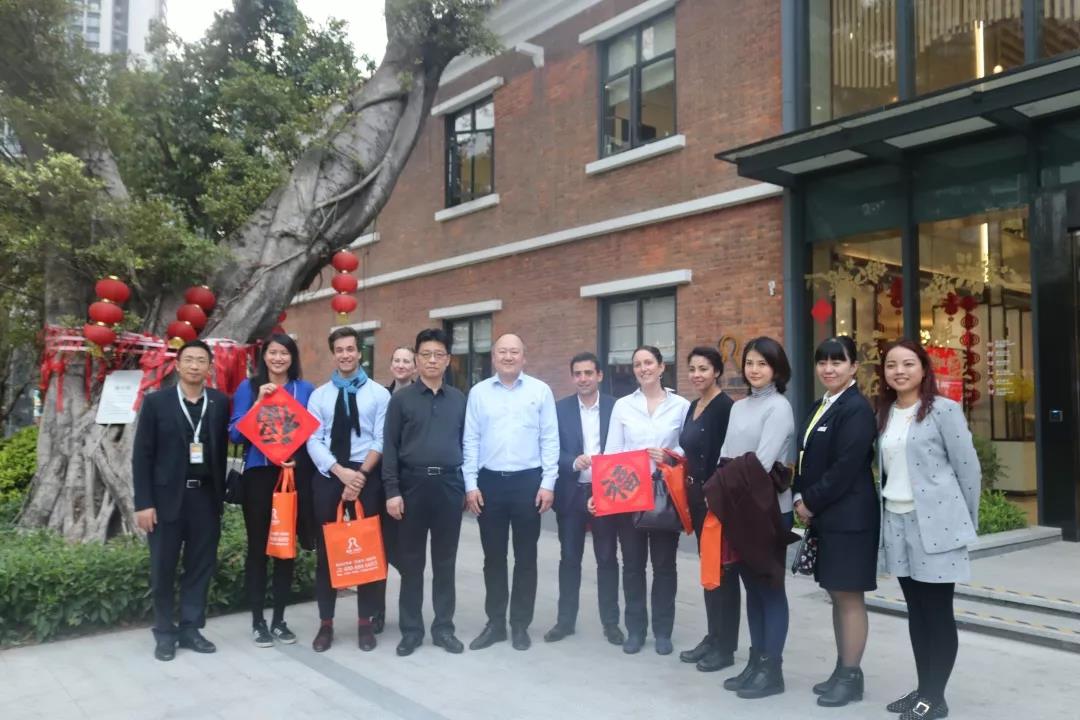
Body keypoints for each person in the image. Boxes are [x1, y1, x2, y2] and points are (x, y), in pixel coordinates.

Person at [877, 339, 980, 720]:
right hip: (896, 521)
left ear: (923, 369)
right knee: (916, 612)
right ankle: (924, 689)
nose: (899, 371)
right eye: (891, 365)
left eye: (908, 363)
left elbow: (968, 469)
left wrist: (965, 523)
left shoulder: (943, 410)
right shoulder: (885, 413)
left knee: (937, 612)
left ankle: (935, 698)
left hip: (937, 525)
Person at [793, 335, 879, 708]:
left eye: (837, 362)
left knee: (848, 595)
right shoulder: (822, 405)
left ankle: (851, 675)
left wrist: (810, 500)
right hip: (828, 516)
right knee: (836, 593)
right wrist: (799, 494)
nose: (828, 369)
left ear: (853, 367)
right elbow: (806, 457)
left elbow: (846, 466)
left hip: (850, 518)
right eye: (822, 362)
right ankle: (842, 668)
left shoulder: (856, 409)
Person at [133, 339, 229, 662]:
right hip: (165, 501)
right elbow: (142, 456)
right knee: (163, 568)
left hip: (205, 498)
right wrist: (143, 503)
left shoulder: (219, 402)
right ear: (177, 365)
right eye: (189, 360)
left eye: (201, 360)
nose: (194, 366)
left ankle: (190, 629)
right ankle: (164, 633)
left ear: (209, 367)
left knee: (200, 567)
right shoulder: (156, 402)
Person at [463, 333, 558, 652]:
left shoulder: (540, 391)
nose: (508, 357)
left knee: (526, 557)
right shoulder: (478, 393)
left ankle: (520, 624)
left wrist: (548, 483)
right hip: (489, 483)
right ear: (493, 357)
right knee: (493, 557)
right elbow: (471, 440)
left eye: (514, 352)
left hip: (528, 483)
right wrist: (471, 484)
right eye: (502, 351)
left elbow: (550, 439)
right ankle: (495, 623)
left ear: (523, 357)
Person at [716, 336, 795, 699]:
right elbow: (725, 455)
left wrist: (721, 483)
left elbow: (760, 464)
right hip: (739, 509)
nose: (754, 369)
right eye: (749, 362)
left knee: (770, 589)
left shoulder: (779, 407)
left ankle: (772, 670)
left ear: (776, 369)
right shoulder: (738, 407)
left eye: (763, 363)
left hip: (768, 511)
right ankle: (755, 662)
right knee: (752, 589)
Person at [382, 328, 468, 657]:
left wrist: (466, 487)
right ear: (417, 360)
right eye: (426, 354)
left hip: (448, 487)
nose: (432, 360)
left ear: (448, 360)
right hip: (411, 487)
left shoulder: (459, 400)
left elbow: (468, 444)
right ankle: (412, 630)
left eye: (438, 355)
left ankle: (444, 628)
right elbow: (390, 448)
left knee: (445, 562)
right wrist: (392, 491)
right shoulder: (401, 400)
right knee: (412, 563)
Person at [305, 326, 391, 652]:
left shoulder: (379, 394)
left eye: (350, 349)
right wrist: (339, 471)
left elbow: (381, 439)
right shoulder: (320, 396)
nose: (345, 355)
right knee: (327, 553)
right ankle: (325, 624)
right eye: (339, 350)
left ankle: (365, 623)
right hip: (330, 475)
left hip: (366, 476)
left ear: (360, 352)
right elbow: (313, 439)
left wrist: (360, 475)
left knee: (367, 551)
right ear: (334, 354)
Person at [228, 333, 315, 648]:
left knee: (285, 548)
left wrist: (299, 461)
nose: (278, 358)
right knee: (258, 548)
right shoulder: (249, 387)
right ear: (264, 356)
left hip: (292, 476)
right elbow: (235, 435)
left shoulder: (305, 390)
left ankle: (279, 620)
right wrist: (257, 404)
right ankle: (257, 621)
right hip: (259, 476)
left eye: (284, 353)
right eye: (273, 353)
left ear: (293, 358)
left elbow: (313, 435)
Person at [603, 345, 689, 656]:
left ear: (662, 367)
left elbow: (688, 449)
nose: (643, 368)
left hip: (665, 495)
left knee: (665, 566)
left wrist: (669, 456)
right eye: (637, 364)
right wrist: (603, 496)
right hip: (630, 495)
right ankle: (636, 630)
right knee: (633, 567)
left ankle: (663, 632)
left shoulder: (681, 406)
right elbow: (612, 453)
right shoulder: (623, 406)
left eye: (649, 362)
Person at [544, 352, 622, 646]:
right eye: (578, 373)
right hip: (572, 492)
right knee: (569, 559)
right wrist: (571, 461)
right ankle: (565, 622)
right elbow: (550, 448)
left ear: (599, 375)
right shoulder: (559, 409)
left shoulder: (616, 407)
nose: (583, 379)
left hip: (608, 492)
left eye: (589, 373)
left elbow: (625, 448)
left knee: (607, 559)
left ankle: (611, 623)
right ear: (572, 377)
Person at [678, 346, 737, 672]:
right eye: (693, 369)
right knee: (709, 572)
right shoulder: (693, 406)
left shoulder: (725, 408)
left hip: (716, 501)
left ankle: (725, 647)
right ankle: (713, 637)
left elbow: (728, 458)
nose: (697, 375)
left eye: (703, 369)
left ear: (717, 371)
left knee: (723, 573)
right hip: (696, 500)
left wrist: (714, 495)